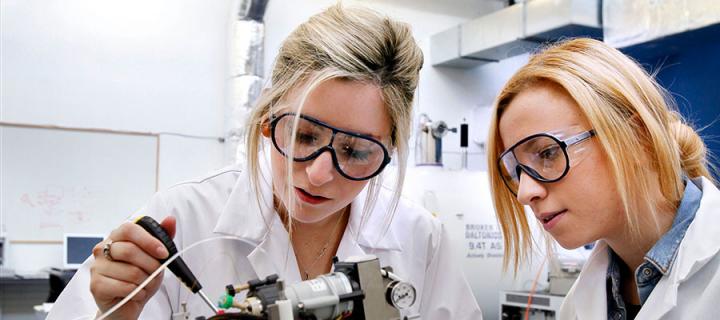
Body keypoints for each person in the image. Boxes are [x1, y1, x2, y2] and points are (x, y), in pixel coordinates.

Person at [48, 4, 482, 320]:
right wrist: (115, 314)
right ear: (266, 118)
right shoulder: (186, 217)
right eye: (302, 135)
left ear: (389, 151)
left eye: (356, 151)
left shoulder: (419, 239)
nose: (319, 173)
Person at [487, 38, 719, 319]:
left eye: (547, 153)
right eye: (516, 171)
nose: (525, 193)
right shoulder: (580, 302)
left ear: (638, 139)